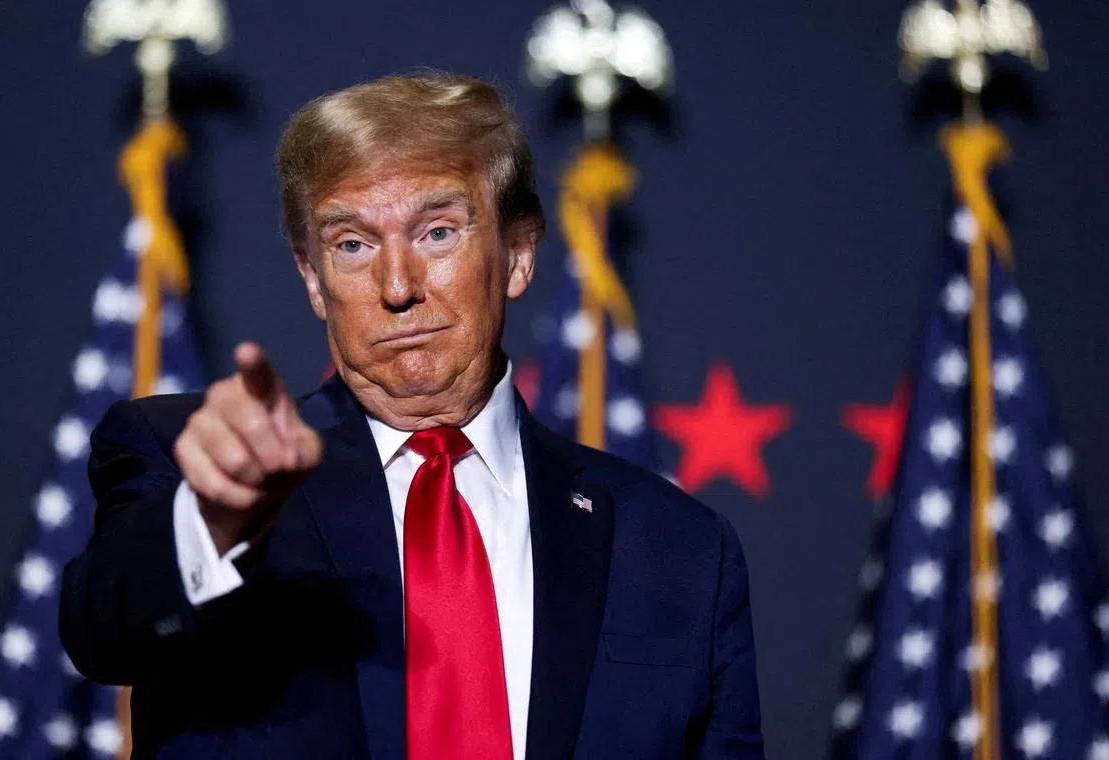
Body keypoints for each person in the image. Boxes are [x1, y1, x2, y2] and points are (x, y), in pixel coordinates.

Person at [61, 72, 764, 760]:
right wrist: (215, 517)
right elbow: (101, 629)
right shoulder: (189, 462)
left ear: (518, 255)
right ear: (312, 278)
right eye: (352, 245)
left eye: (437, 232)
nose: (397, 287)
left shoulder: (680, 550)